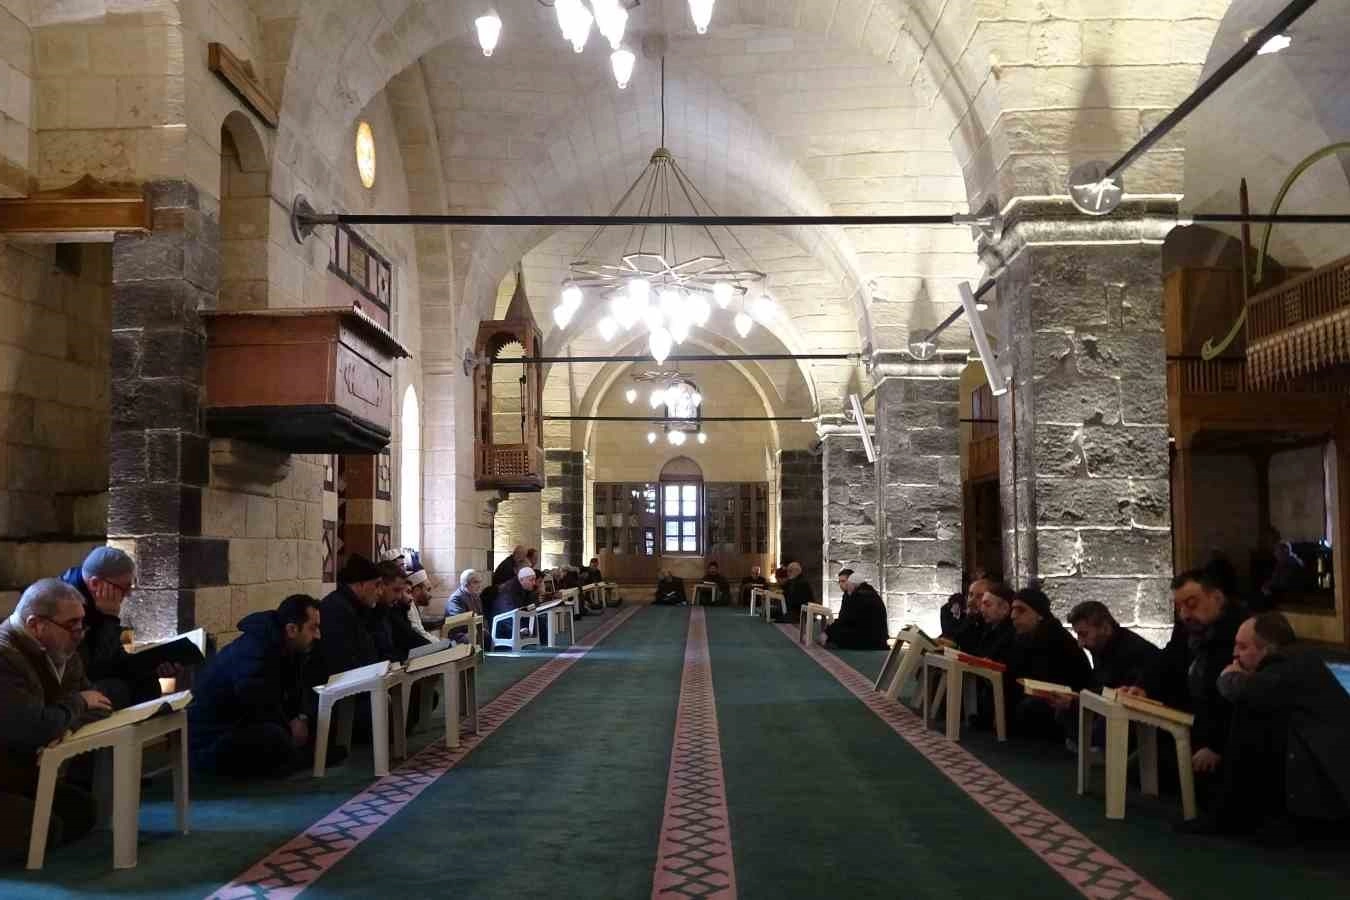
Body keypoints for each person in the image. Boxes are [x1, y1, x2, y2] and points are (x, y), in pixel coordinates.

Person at [1210, 612, 1350, 839]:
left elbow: (1241, 690)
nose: (1235, 654)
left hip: (1329, 796)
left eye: (1243, 647)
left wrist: (1228, 676)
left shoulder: (1288, 668)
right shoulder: (1300, 660)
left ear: (1267, 649)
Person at [0, 579, 111, 861]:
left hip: (22, 771)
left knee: (83, 811)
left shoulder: (62, 650)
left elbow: (99, 704)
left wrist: (62, 724)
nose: (79, 634)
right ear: (36, 625)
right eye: (72, 625)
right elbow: (34, 727)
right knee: (43, 830)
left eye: (81, 624)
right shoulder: (4, 656)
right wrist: (76, 705)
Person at [189, 595, 322, 777]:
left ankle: (301, 757)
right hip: (213, 736)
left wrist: (300, 718)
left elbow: (293, 692)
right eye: (313, 628)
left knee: (318, 721)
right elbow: (257, 703)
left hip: (243, 722)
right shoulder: (255, 649)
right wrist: (289, 726)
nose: (318, 635)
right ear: (291, 629)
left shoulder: (290, 648)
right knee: (275, 738)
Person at [1133, 569, 1247, 781]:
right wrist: (1142, 688)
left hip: (1227, 740)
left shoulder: (1242, 633)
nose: (1184, 614)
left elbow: (1240, 700)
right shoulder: (1188, 628)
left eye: (1192, 604)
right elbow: (1166, 661)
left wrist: (1215, 745)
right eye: (1179, 607)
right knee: (1139, 766)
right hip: (1191, 725)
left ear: (1217, 598)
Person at [60, 546, 166, 709]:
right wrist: (109, 617)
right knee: (120, 690)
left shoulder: (99, 596)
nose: (128, 594)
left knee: (148, 680)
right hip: (72, 685)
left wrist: (152, 662)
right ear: (95, 583)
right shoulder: (68, 605)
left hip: (98, 668)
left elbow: (123, 649)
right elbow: (95, 666)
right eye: (124, 588)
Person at [1005, 588, 1093, 739]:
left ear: (1039, 614)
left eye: (1021, 610)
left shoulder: (1054, 638)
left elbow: (1049, 682)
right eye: (1013, 610)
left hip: (1067, 702)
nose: (1013, 616)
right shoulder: (1025, 636)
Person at [1066, 600, 1160, 692]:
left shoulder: (1137, 654)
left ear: (1105, 628)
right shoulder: (1101, 646)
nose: (1080, 644)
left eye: (1084, 634)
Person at [317, 554, 382, 678]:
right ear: (361, 584)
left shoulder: (357, 608)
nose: (380, 592)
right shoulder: (335, 610)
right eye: (376, 585)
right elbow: (342, 665)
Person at [821, 571, 888, 649]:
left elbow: (846, 619)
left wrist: (828, 632)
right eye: (839, 582)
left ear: (853, 585)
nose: (842, 585)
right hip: (878, 639)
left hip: (868, 639)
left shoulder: (858, 596)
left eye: (845, 582)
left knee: (835, 634)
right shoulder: (871, 593)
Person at [385, 565, 431, 662]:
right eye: (396, 590)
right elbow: (411, 637)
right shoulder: (394, 611)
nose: (399, 596)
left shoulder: (402, 608)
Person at [445, 569, 485, 644]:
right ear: (465, 584)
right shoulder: (456, 599)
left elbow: (481, 616)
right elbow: (460, 622)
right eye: (475, 582)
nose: (479, 586)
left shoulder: (475, 596)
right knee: (480, 635)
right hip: (458, 635)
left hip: (472, 630)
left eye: (480, 582)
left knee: (485, 634)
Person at [405, 569, 436, 641]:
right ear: (417, 590)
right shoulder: (409, 608)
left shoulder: (415, 605)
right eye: (428, 590)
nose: (430, 595)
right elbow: (421, 634)